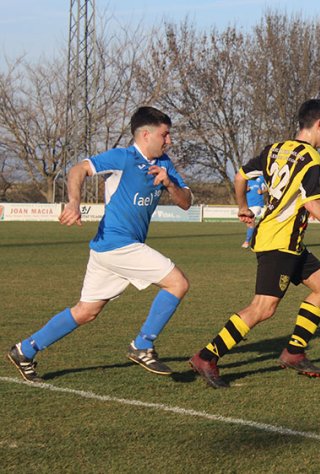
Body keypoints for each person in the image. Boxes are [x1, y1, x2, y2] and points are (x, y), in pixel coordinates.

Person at [189, 99, 320, 389]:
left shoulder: (274, 149)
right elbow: (313, 204)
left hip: (287, 241)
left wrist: (243, 206)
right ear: (319, 124)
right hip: (279, 242)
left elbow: (240, 176)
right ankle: (206, 356)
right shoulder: (311, 158)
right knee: (263, 307)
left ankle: (294, 352)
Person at [7, 106, 192, 382]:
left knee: (86, 311)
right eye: (165, 135)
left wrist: (169, 185)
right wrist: (73, 202)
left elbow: (186, 202)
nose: (169, 141)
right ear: (145, 135)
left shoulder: (165, 164)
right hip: (118, 243)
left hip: (108, 249)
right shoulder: (124, 157)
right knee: (178, 283)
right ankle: (142, 345)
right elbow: (78, 169)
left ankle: (25, 350)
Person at [242, 175, 267, 248]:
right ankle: (257, 239)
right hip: (248, 205)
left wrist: (262, 191)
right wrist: (245, 189)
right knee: (249, 224)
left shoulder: (261, 178)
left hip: (257, 205)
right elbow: (240, 190)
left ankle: (246, 242)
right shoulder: (246, 181)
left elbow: (269, 187)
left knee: (251, 221)